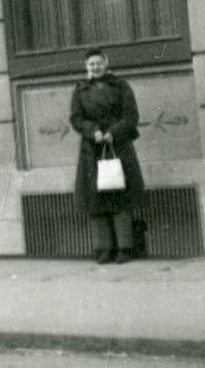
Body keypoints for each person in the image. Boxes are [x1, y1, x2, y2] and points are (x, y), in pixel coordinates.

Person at [70, 48, 145, 264]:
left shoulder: (121, 86)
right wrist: (92, 131)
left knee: (120, 197)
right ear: (86, 67)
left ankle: (124, 248)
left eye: (99, 63)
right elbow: (76, 118)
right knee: (95, 199)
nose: (96, 67)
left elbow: (131, 115)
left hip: (118, 146)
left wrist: (114, 133)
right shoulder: (80, 90)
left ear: (106, 64)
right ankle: (103, 249)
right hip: (92, 149)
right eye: (91, 64)